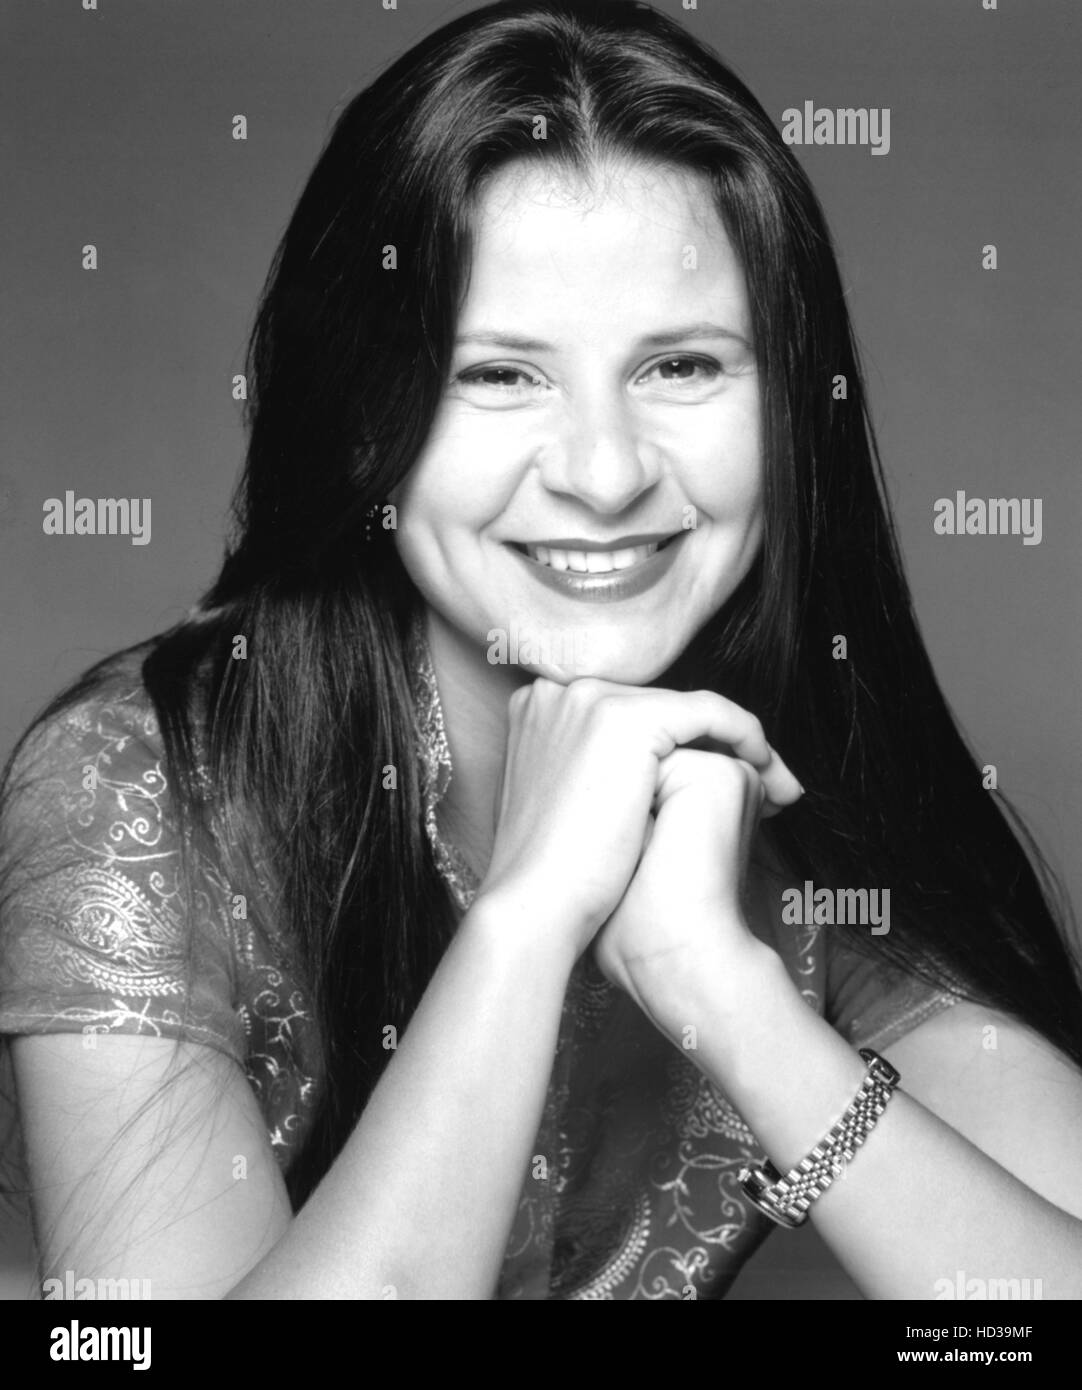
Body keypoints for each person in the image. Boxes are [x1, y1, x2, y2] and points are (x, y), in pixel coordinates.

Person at [1, 0, 1081, 1302]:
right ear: (362, 420)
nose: (604, 473)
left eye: (681, 365)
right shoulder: (137, 786)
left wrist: (727, 995)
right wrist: (522, 926)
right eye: (500, 375)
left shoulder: (809, 790)